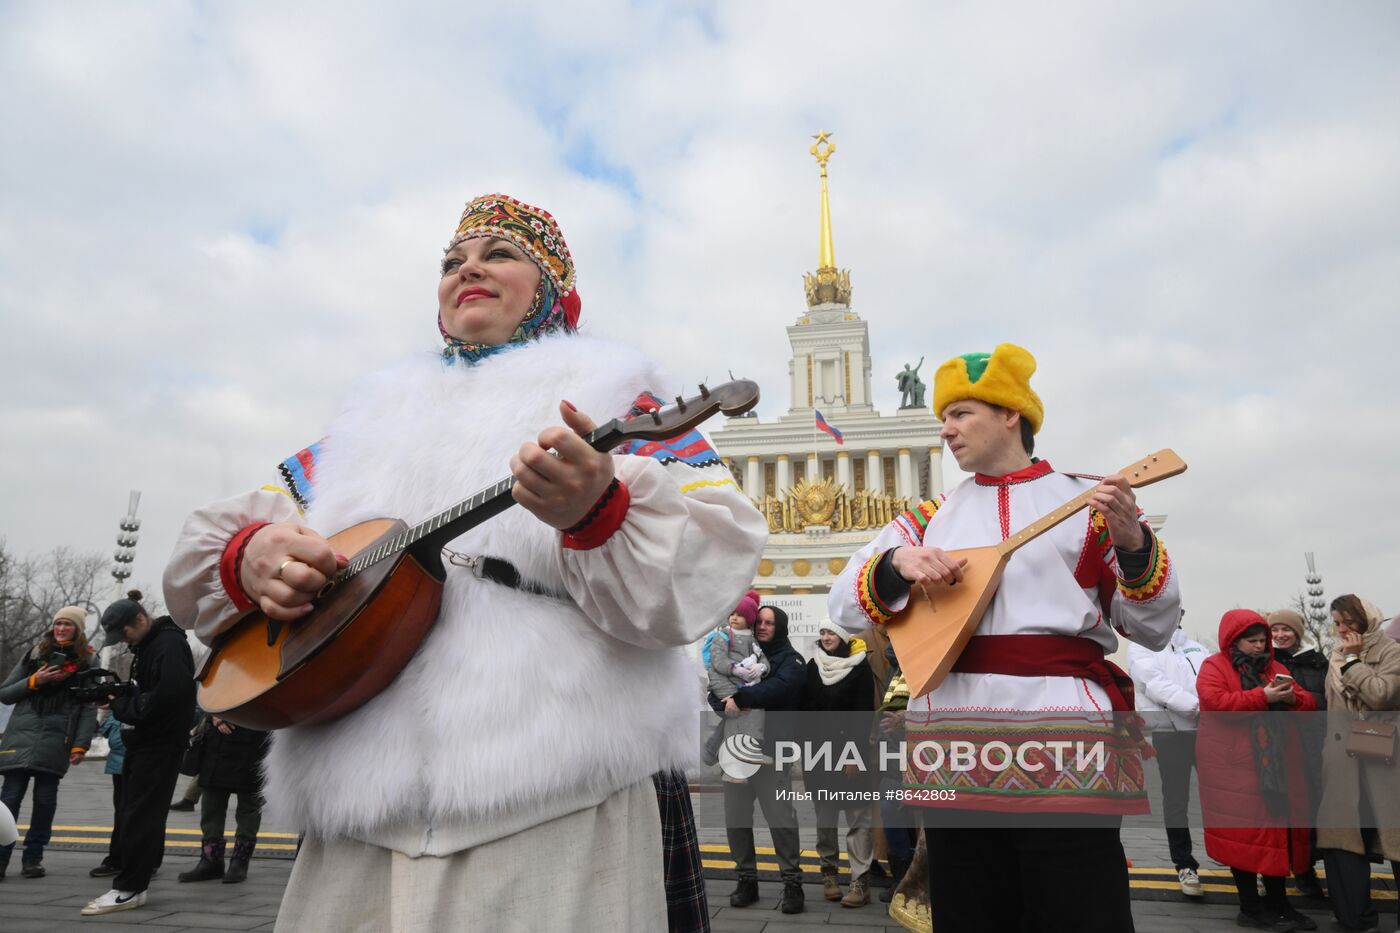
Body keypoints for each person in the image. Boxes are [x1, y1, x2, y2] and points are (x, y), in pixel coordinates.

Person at [163, 193, 767, 933]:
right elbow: (209, 556)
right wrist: (251, 556)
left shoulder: (615, 399)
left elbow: (707, 564)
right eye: (452, 261)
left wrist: (598, 510)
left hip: (555, 803)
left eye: (500, 254)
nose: (468, 268)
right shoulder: (368, 420)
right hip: (357, 820)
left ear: (552, 289)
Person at [828, 343, 1182, 933]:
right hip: (954, 745)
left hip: (1066, 741)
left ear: (1011, 413)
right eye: (944, 417)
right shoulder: (926, 518)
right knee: (970, 910)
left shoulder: (1088, 503)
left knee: (1079, 909)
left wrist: (1133, 544)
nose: (946, 430)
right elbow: (843, 604)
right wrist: (896, 565)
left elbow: (1152, 625)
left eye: (961, 413)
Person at [1196, 609, 1317, 931]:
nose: (1260, 646)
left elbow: (1309, 703)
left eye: (1262, 640)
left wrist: (1291, 700)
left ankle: (1279, 904)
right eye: (1252, 641)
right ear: (1234, 640)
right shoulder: (1214, 666)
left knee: (1275, 835)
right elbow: (1215, 702)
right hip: (1235, 767)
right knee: (1245, 837)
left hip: (1275, 767)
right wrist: (1262, 696)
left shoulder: (1274, 666)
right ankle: (1250, 907)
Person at [81, 591, 197, 917]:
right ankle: (136, 880)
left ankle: (129, 888)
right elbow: (150, 692)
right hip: (148, 744)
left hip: (157, 745)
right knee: (140, 814)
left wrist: (120, 704)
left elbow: (165, 698)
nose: (124, 640)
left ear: (141, 620)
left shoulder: (168, 645)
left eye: (126, 632)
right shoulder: (151, 646)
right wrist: (121, 692)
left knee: (139, 816)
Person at [1315, 595, 1400, 933]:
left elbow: (1382, 695)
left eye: (1349, 621)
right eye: (1337, 623)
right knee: (1345, 838)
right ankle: (1355, 916)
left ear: (1367, 620)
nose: (1343, 630)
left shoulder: (1390, 651)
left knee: (1393, 834)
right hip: (1342, 761)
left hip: (1383, 758)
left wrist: (1354, 662)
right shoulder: (1335, 654)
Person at [720, 604, 807, 914]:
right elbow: (719, 686)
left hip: (772, 753)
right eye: (760, 622)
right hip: (737, 752)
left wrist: (742, 696)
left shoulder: (792, 661)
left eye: (770, 623)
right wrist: (721, 697)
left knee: (781, 820)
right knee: (736, 819)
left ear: (780, 627)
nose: (763, 627)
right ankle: (747, 880)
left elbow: (780, 689)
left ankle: (793, 884)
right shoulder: (741, 656)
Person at [0, 605, 97, 880]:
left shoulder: (87, 660)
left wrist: (80, 745)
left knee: (44, 802)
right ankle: (0, 859)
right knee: (8, 801)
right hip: (20, 737)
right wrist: (34, 680)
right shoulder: (35, 654)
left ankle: (33, 859)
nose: (62, 629)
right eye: (58, 624)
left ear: (78, 630)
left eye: (68, 625)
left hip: (57, 739)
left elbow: (88, 707)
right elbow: (5, 694)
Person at [1127, 615, 1207, 897]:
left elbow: (1212, 680)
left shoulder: (1197, 648)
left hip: (1206, 731)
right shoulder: (1141, 647)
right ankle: (1185, 865)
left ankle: (1237, 860)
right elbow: (1154, 685)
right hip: (1170, 733)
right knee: (1177, 799)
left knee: (1220, 797)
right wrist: (1198, 706)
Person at [798, 619, 876, 907]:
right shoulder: (813, 666)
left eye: (831, 632)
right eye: (822, 632)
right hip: (819, 754)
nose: (826, 637)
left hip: (849, 753)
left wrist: (854, 755)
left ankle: (860, 882)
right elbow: (803, 711)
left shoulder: (858, 667)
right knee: (825, 819)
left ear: (842, 637)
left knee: (858, 820)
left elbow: (863, 712)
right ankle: (829, 874)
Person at [1268, 608, 1329, 899]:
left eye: (1286, 630)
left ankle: (1306, 870)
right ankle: (1275, 870)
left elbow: (1329, 699)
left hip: (1312, 741)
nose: (1280, 635)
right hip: (1277, 742)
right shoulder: (1265, 661)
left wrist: (1300, 698)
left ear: (1297, 632)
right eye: (1275, 630)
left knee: (1312, 806)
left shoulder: (1317, 662)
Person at [177, 715, 269, 884]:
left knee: (248, 807)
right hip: (218, 742)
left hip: (254, 738)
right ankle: (211, 861)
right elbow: (205, 694)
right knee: (211, 804)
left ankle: (239, 863)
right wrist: (214, 716)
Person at [701, 590, 768, 769]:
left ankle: (749, 751)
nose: (734, 618)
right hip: (725, 684)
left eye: (740, 615)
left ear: (749, 618)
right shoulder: (723, 635)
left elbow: (762, 658)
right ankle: (730, 760)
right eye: (733, 614)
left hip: (746, 686)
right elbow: (718, 661)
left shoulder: (752, 638)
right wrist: (736, 669)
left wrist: (761, 667)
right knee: (736, 716)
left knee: (754, 714)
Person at [89, 711, 127, 878]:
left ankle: (145, 859)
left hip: (148, 758)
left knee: (144, 812)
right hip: (120, 760)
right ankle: (118, 858)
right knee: (121, 812)